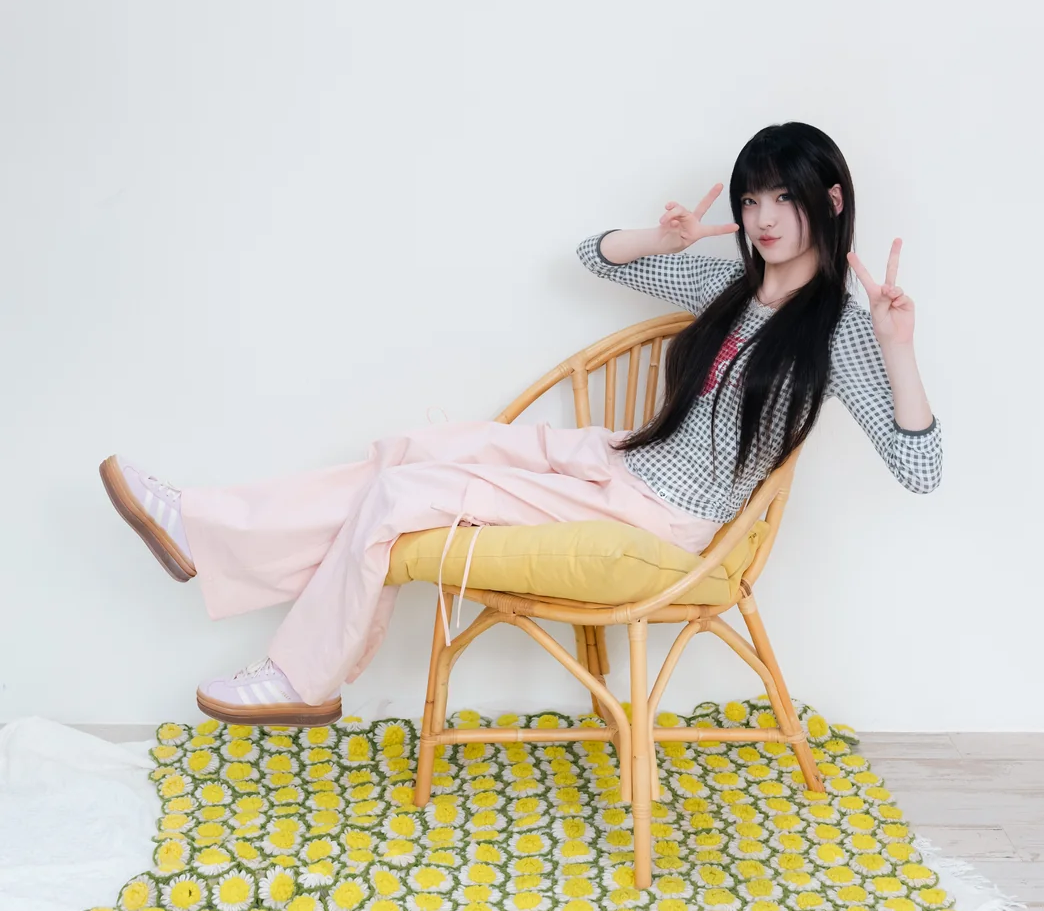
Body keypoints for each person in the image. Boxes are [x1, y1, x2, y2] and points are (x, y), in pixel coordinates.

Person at [99, 121, 941, 727]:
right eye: (752, 198)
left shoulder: (840, 331)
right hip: (616, 462)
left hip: (657, 518)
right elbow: (593, 255)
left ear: (830, 200)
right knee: (412, 450)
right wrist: (661, 237)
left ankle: (299, 675)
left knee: (401, 497)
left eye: (783, 197)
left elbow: (921, 470)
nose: (763, 217)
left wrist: (899, 350)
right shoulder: (731, 287)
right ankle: (200, 528)